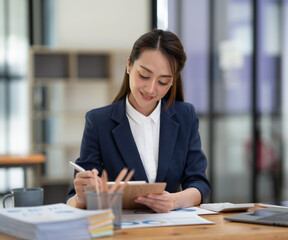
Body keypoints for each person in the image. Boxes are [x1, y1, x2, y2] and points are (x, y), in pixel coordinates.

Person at [66, 29, 210, 213]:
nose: (151, 89)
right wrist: (80, 197)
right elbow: (72, 200)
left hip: (171, 228)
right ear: (129, 65)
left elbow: (199, 183)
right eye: (144, 75)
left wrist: (174, 200)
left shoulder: (185, 116)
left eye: (163, 82)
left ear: (173, 81)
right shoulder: (98, 121)